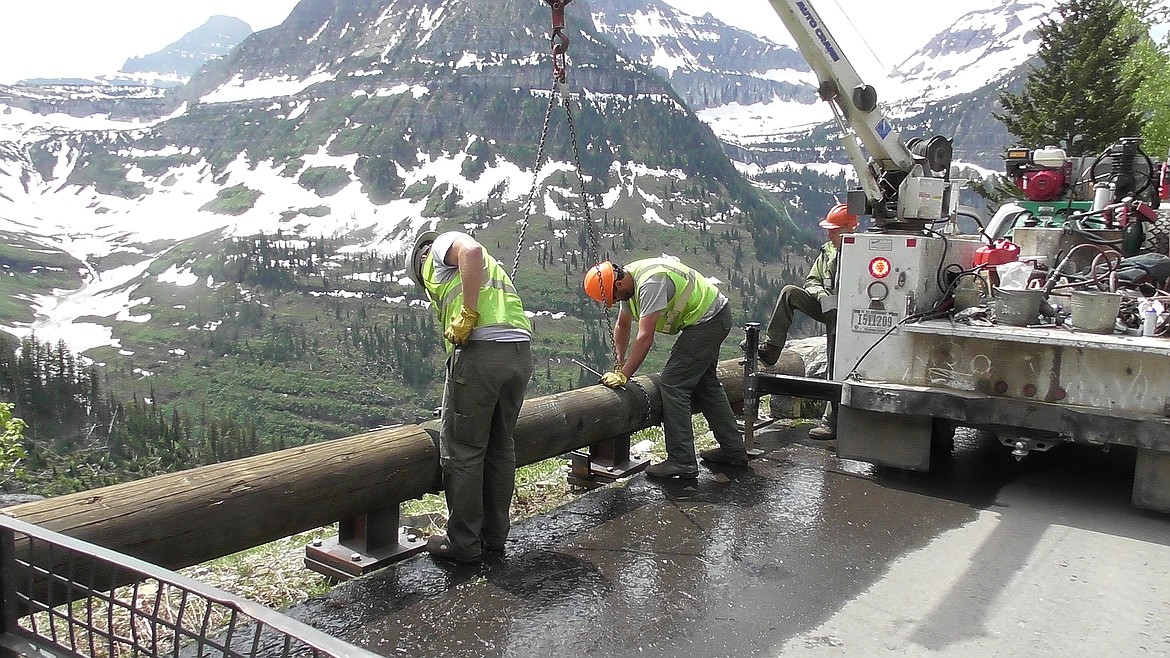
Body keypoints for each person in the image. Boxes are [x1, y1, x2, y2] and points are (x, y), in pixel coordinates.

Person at [406, 229, 534, 563]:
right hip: (519, 352)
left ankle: (463, 542)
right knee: (500, 446)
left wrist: (468, 314)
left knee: (463, 450)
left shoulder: (436, 250)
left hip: (482, 352)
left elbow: (471, 250)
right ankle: (494, 536)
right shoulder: (492, 270)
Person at [582, 258, 747, 479]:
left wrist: (624, 375)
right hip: (713, 316)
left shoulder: (650, 283)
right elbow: (623, 324)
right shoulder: (627, 282)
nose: (616, 301)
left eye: (614, 297)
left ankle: (682, 460)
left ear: (618, 285)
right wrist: (619, 361)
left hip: (709, 320)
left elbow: (645, 336)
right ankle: (734, 450)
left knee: (673, 383)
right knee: (706, 384)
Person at [750, 202, 858, 440]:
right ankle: (772, 349)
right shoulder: (828, 251)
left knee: (835, 365)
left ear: (849, 230)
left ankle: (831, 422)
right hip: (828, 306)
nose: (829, 234)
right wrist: (822, 295)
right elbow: (812, 280)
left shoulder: (863, 253)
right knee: (790, 292)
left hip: (850, 316)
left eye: (834, 230)